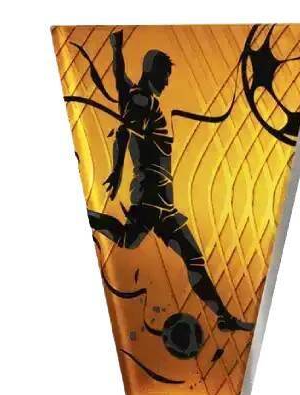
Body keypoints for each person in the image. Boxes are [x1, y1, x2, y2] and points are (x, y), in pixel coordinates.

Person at [84, 30, 253, 332]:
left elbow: (119, 78)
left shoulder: (135, 95)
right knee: (132, 241)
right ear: (154, 72)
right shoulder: (142, 100)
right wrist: (117, 170)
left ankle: (224, 318)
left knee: (190, 257)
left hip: (164, 202)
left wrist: (116, 49)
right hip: (151, 198)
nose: (167, 82)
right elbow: (123, 132)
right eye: (165, 76)